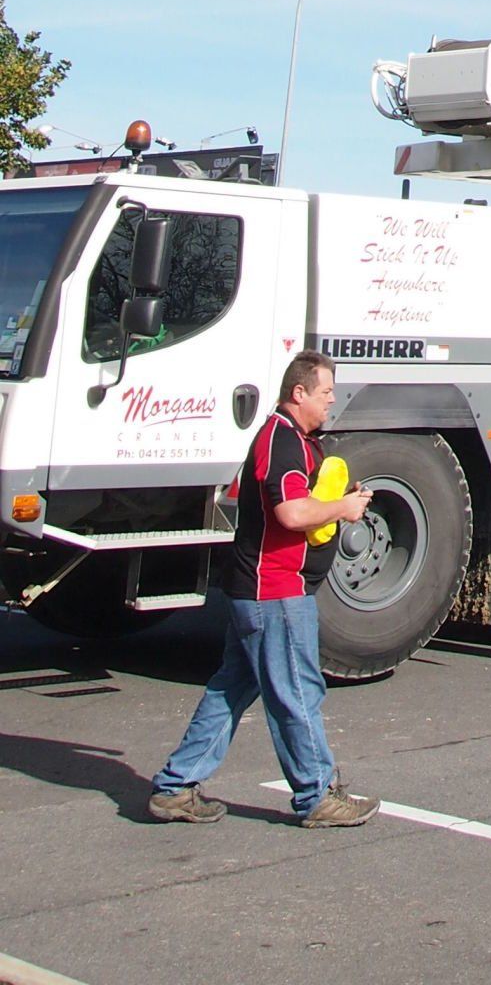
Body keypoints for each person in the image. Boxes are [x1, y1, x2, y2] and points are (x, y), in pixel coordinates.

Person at [149, 350, 379, 828]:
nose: (331, 401)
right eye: (324, 393)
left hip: (259, 592)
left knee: (233, 687)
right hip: (274, 591)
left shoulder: (292, 439)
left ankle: (175, 787)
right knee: (297, 691)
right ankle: (317, 795)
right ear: (298, 393)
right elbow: (291, 514)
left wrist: (336, 500)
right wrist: (342, 509)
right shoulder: (282, 442)